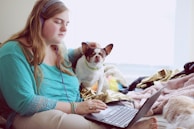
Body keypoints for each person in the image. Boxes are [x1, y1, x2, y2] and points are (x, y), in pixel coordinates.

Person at [0, 0, 158, 129]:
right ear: (39, 21)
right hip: (30, 114)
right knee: (62, 121)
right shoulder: (13, 52)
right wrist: (75, 108)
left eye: (67, 24)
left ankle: (119, 122)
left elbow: (63, 61)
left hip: (75, 106)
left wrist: (80, 51)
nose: (64, 29)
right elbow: (25, 102)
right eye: (58, 22)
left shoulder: (57, 46)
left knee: (114, 106)